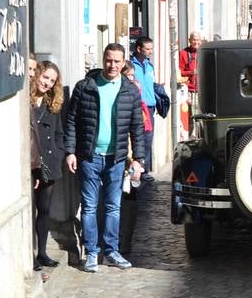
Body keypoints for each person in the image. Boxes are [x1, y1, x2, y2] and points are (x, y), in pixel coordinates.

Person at [64, 43, 148, 272]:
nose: (112, 65)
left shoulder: (130, 90)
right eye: (109, 60)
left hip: (117, 158)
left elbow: (137, 127)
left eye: (117, 61)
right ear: (103, 60)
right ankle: (91, 252)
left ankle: (111, 251)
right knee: (89, 207)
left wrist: (139, 159)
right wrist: (70, 151)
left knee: (113, 207)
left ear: (123, 63)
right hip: (89, 156)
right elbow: (71, 120)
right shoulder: (85, 87)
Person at [29, 60, 65, 272]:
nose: (48, 83)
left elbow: (59, 134)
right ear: (37, 75)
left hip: (49, 164)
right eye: (45, 77)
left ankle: (42, 252)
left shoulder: (52, 105)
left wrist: (59, 154)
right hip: (32, 163)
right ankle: (30, 254)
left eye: (52, 81)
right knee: (31, 209)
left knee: (44, 210)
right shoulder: (27, 102)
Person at [130, 36, 170, 174]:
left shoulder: (149, 65)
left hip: (150, 108)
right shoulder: (130, 65)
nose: (150, 51)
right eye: (148, 49)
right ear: (139, 49)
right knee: (137, 139)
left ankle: (144, 171)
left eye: (152, 48)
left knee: (148, 140)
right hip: (138, 107)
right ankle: (136, 171)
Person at [178, 33, 202, 113]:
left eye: (198, 40)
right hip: (189, 91)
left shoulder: (204, 52)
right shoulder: (183, 53)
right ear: (189, 41)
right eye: (194, 40)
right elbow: (179, 73)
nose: (196, 42)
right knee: (192, 117)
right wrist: (192, 72)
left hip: (203, 91)